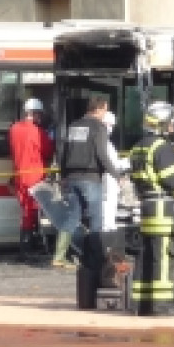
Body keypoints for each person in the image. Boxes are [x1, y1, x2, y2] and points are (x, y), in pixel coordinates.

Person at [128, 101, 174, 316]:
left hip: (146, 205)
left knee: (146, 254)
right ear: (161, 124)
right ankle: (162, 305)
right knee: (163, 255)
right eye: (170, 123)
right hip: (163, 208)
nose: (173, 127)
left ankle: (141, 303)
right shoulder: (161, 147)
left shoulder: (138, 146)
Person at [59, 96, 117, 236]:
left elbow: (64, 152)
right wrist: (117, 175)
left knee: (73, 217)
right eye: (105, 110)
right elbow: (101, 154)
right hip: (91, 178)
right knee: (96, 219)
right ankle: (94, 256)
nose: (105, 114)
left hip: (72, 178)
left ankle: (59, 255)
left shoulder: (73, 126)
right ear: (98, 109)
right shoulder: (99, 127)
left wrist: (63, 176)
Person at [9, 98, 55, 257]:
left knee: (26, 211)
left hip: (19, 175)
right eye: (39, 115)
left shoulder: (14, 129)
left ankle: (27, 245)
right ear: (35, 114)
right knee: (32, 211)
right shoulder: (37, 132)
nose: (40, 118)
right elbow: (48, 150)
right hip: (34, 176)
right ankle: (28, 247)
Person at [99, 110, 131, 232]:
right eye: (109, 125)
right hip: (108, 179)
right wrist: (128, 162)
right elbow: (111, 163)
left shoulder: (106, 143)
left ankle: (108, 227)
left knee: (109, 203)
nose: (111, 128)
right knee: (107, 203)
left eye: (112, 126)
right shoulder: (104, 143)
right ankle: (107, 229)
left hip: (109, 178)